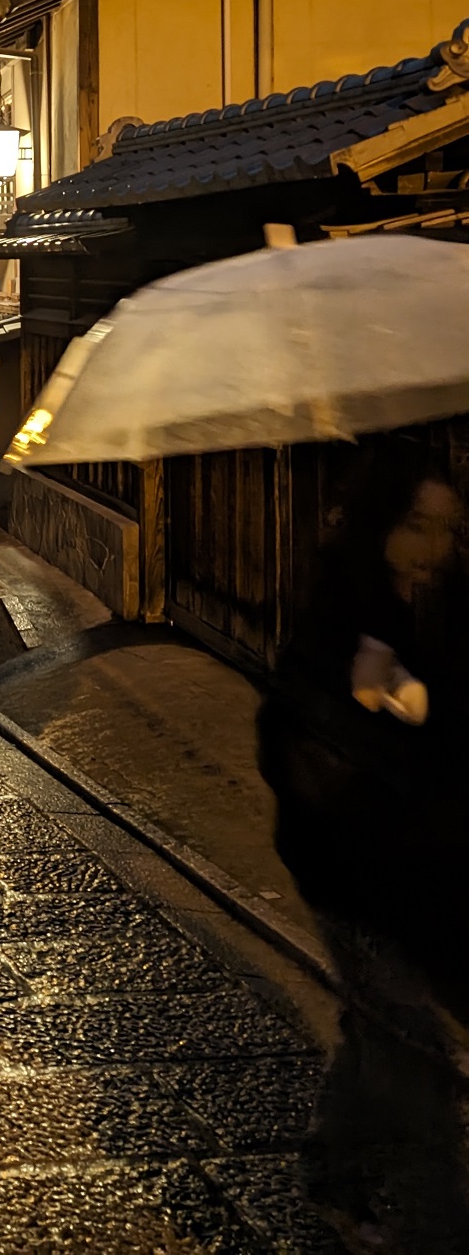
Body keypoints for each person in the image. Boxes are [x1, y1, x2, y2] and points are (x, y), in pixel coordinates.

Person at [258, 438, 469, 1252]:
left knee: (381, 1028)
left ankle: (334, 1166)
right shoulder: (341, 609)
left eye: (447, 529)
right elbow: (293, 741)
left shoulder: (439, 602)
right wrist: (377, 712)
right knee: (417, 1050)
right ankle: (432, 1226)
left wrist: (419, 701)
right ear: (381, 522)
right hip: (349, 872)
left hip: (420, 868)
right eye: (416, 526)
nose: (435, 549)